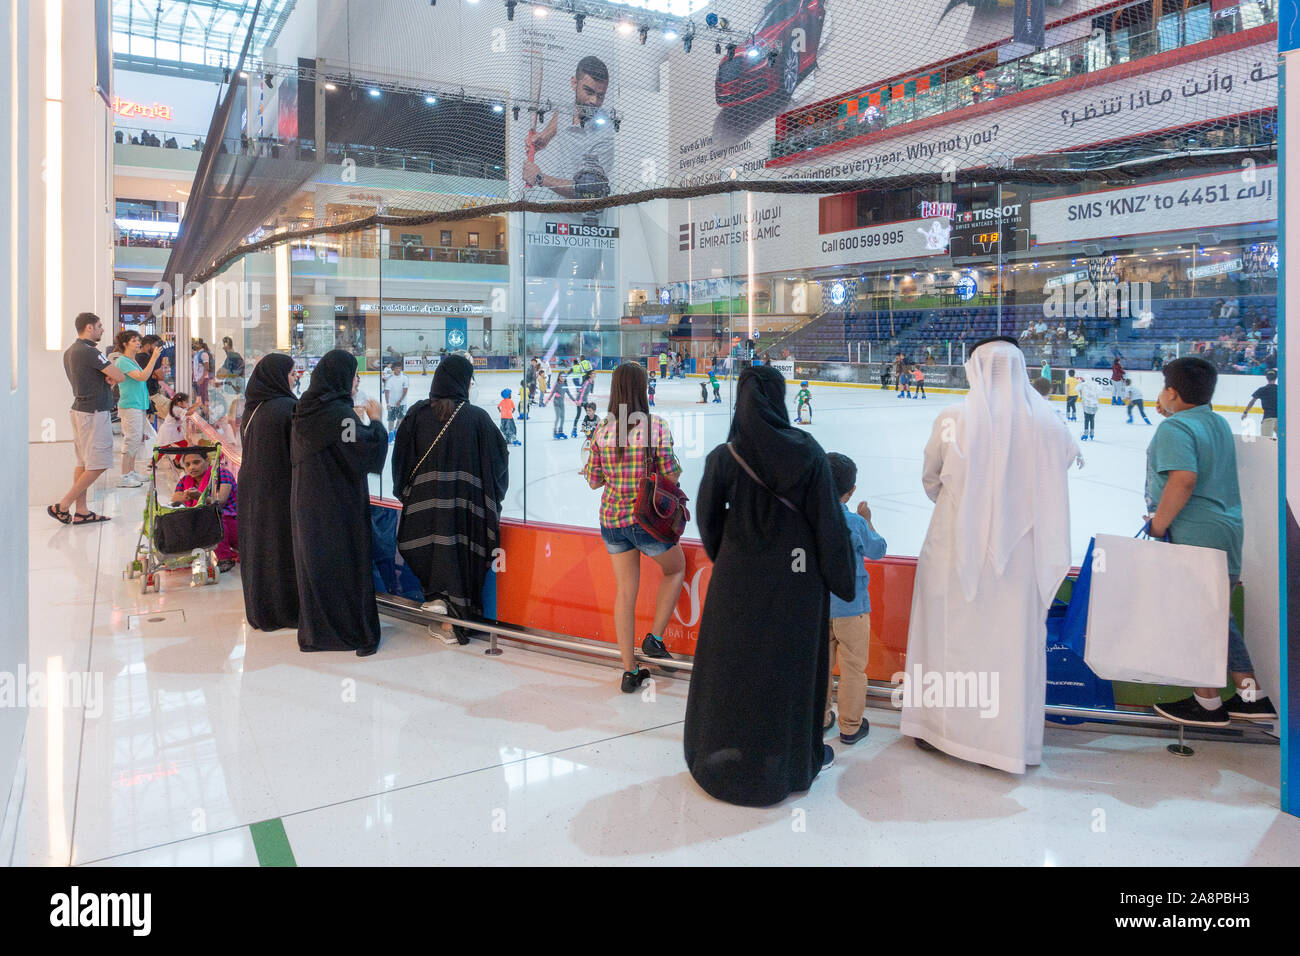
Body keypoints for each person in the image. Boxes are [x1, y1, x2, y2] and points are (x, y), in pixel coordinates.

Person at [901, 338, 1082, 774]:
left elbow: (931, 480)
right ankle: (1007, 741)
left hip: (954, 547)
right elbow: (1061, 472)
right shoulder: (1050, 423)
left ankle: (940, 729)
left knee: (947, 635)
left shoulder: (953, 418)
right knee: (1010, 643)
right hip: (1022, 558)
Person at [685, 366, 854, 805]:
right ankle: (793, 757)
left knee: (735, 668)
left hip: (737, 588)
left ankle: (728, 750)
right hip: (797, 587)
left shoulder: (726, 456)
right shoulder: (809, 453)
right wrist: (839, 578)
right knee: (789, 670)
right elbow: (827, 524)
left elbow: (707, 521)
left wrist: (736, 559)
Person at [1146, 357, 1277, 726]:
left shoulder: (1176, 429)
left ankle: (1207, 702)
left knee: (1199, 617)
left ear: (1171, 391)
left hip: (1194, 534)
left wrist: (1158, 524)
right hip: (1226, 530)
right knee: (1217, 616)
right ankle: (1251, 695)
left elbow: (1183, 479)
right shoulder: (1215, 421)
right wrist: (1173, 416)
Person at [581, 362, 685, 691]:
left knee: (625, 594)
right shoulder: (656, 427)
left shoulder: (601, 429)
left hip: (612, 522)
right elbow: (671, 475)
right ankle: (654, 638)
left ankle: (629, 671)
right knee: (676, 569)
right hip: (647, 521)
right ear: (642, 389)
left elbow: (594, 481)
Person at [394, 354, 510, 644]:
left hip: (424, 509)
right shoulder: (478, 419)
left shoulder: (417, 415)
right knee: (461, 556)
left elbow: (400, 462)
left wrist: (408, 493)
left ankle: (439, 601)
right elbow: (499, 463)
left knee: (432, 549)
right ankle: (453, 618)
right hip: (466, 512)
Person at [290, 350, 389, 656]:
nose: (357, 381)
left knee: (317, 565)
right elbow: (362, 451)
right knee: (344, 562)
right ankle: (348, 632)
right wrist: (376, 423)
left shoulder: (306, 409)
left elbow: (340, 442)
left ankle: (318, 633)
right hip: (336, 504)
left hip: (308, 501)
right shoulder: (339, 415)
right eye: (354, 376)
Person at [823, 453, 888, 746]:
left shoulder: (808, 520)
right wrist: (868, 521)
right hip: (852, 608)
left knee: (819, 666)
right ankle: (850, 726)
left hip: (820, 607)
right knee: (852, 668)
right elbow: (878, 550)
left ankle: (820, 718)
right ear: (850, 492)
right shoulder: (855, 523)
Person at [239, 354, 300, 631]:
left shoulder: (254, 407)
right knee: (280, 547)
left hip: (253, 486)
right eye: (290, 373)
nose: (295, 377)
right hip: (279, 489)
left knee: (259, 546)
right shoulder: (286, 407)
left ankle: (261, 608)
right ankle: (285, 609)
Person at [50, 313, 126, 525]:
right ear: (89, 327)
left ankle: (81, 511)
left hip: (80, 410)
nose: (102, 330)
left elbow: (99, 378)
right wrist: (111, 377)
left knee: (83, 463)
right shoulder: (90, 352)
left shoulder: (70, 352)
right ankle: (63, 505)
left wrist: (107, 378)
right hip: (93, 412)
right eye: (100, 326)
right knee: (98, 464)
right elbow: (119, 375)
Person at [171, 448, 239, 572]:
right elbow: (175, 498)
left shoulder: (222, 474)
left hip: (234, 524)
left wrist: (200, 496)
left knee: (212, 515)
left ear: (207, 460)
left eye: (196, 462)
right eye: (187, 464)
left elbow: (220, 501)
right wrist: (186, 496)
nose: (192, 467)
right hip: (212, 527)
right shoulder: (185, 480)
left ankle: (225, 559)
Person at [112, 330, 162, 487]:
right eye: (133, 340)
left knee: (135, 440)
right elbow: (143, 377)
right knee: (131, 440)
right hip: (130, 405)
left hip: (138, 404)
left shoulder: (131, 360)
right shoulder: (122, 361)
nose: (137, 343)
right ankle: (124, 476)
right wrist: (153, 358)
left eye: (138, 340)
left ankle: (130, 472)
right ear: (125, 344)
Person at [1242, 369, 1278, 438]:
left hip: (1268, 418)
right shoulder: (1279, 389)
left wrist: (1245, 412)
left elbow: (1252, 401)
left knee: (1265, 442)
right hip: (1280, 419)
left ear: (1266, 378)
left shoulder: (1262, 389)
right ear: (1276, 377)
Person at [545, 367, 570, 439]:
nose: (563, 378)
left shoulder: (565, 384)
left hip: (562, 403)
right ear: (559, 377)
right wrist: (547, 401)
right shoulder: (556, 384)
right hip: (556, 403)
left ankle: (560, 431)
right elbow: (552, 393)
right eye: (561, 376)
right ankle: (555, 432)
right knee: (558, 417)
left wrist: (575, 400)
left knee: (563, 417)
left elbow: (569, 393)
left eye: (564, 377)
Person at [385, 362, 410, 431]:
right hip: (391, 403)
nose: (398, 370)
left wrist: (400, 401)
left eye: (400, 368)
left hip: (402, 403)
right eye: (397, 368)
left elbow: (405, 390)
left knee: (401, 419)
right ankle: (391, 434)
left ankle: (397, 432)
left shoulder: (405, 377)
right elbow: (387, 391)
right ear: (393, 369)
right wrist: (387, 403)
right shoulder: (390, 379)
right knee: (391, 420)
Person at [571, 370, 595, 436]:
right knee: (578, 415)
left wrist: (592, 383)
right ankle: (574, 430)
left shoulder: (591, 382)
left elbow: (591, 391)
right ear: (590, 375)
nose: (594, 374)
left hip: (584, 400)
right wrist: (579, 401)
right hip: (580, 399)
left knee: (589, 415)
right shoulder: (587, 382)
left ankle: (588, 429)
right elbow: (582, 392)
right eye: (593, 373)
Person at [193, 338, 213, 412]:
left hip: (202, 379)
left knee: (203, 397)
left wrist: (202, 378)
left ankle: (206, 413)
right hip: (197, 379)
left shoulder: (204, 354)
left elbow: (206, 367)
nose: (194, 345)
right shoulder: (196, 354)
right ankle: (203, 412)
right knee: (200, 397)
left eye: (196, 343)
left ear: (200, 345)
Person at [1079, 375, 1101, 441]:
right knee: (1092, 419)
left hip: (1087, 406)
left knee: (1086, 419)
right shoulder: (1096, 387)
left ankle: (1085, 434)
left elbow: (1081, 391)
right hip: (1094, 406)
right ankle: (1092, 434)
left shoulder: (1086, 387)